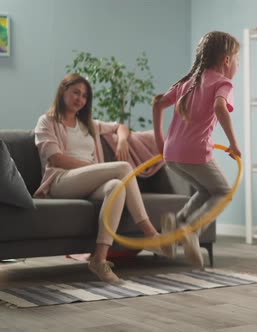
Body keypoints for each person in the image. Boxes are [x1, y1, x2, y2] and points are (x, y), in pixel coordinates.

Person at [34, 73, 173, 283]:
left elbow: (120, 127)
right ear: (63, 91)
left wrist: (122, 141)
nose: (80, 99)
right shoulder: (47, 121)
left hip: (88, 181)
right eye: (75, 93)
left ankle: (99, 260)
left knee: (117, 186)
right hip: (61, 181)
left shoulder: (87, 124)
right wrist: (95, 168)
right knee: (124, 168)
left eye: (84, 96)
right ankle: (151, 234)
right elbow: (56, 158)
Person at [152, 31, 241, 270]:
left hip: (172, 154)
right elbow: (220, 107)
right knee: (223, 191)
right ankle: (192, 230)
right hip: (195, 151)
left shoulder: (188, 82)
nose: (237, 65)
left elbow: (158, 102)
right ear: (226, 61)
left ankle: (177, 222)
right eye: (236, 60)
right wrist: (233, 142)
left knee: (205, 189)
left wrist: (160, 139)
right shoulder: (223, 82)